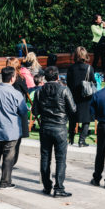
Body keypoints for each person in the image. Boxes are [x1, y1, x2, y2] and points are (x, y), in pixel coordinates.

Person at [0, 66, 30, 188]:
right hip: (11, 130)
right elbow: (23, 111)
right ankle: (5, 182)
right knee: (8, 158)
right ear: (12, 78)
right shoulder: (16, 94)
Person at [33, 65, 75, 197]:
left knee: (45, 158)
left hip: (46, 127)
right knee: (60, 159)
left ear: (45, 78)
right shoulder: (64, 90)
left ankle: (47, 186)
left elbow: (35, 111)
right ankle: (59, 188)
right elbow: (73, 109)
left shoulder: (40, 91)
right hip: (59, 127)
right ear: (57, 77)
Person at [66, 47, 97, 147]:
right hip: (85, 96)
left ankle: (71, 138)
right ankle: (81, 141)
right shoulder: (89, 68)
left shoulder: (71, 68)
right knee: (86, 119)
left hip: (73, 95)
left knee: (72, 118)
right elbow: (93, 81)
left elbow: (68, 82)